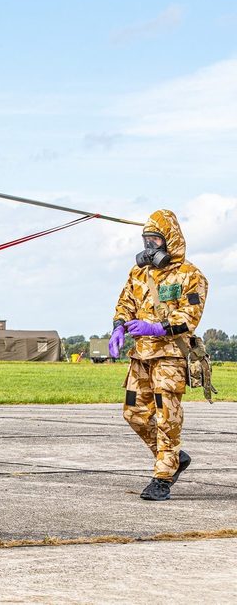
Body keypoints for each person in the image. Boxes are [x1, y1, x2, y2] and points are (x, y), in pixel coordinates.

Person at [109, 209, 208, 501]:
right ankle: (173, 457)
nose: (149, 246)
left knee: (167, 417)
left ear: (170, 241)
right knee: (134, 413)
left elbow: (189, 316)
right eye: (146, 239)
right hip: (140, 356)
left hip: (170, 357)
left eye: (155, 240)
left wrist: (156, 326)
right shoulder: (138, 273)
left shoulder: (191, 275)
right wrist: (118, 327)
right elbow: (124, 303)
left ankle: (162, 476)